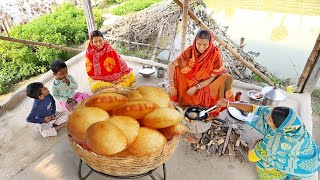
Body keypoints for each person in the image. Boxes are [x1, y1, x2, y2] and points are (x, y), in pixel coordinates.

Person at [216, 99, 320, 179]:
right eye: (270, 114)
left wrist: (255, 142)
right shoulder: (294, 125)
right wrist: (229, 103)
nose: (267, 117)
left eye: (270, 119)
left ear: (279, 128)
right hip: (310, 156)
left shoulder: (273, 144)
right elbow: (255, 109)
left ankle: (278, 176)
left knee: (263, 162)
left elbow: (252, 157)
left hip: (304, 169)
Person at [167, 29, 235, 116]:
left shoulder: (215, 54)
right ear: (195, 41)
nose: (201, 47)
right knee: (177, 69)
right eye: (198, 44)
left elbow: (213, 78)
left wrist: (196, 87)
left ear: (210, 43)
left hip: (206, 85)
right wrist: (171, 85)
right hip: (190, 83)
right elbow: (171, 65)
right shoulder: (190, 51)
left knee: (227, 77)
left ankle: (207, 105)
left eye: (205, 45)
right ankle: (186, 100)